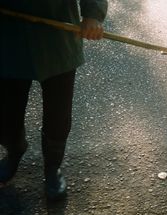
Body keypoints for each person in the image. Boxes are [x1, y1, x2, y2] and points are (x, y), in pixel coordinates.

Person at [0, 0, 108, 200]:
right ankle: (14, 151)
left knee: (58, 115)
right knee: (6, 112)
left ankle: (52, 168)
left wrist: (93, 14)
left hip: (58, 35)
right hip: (8, 34)